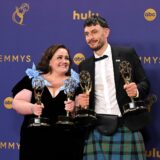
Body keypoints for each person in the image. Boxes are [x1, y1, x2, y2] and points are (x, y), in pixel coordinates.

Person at [76, 15, 150, 160]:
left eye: (94, 32)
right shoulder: (84, 65)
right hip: (96, 128)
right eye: (87, 34)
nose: (90, 37)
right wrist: (80, 102)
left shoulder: (127, 54)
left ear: (106, 32)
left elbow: (145, 84)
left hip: (127, 125)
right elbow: (84, 95)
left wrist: (136, 90)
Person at [12, 44, 84, 160]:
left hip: (68, 145)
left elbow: (81, 112)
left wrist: (74, 108)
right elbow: (17, 103)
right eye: (59, 57)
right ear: (49, 61)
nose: (64, 61)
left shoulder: (77, 82)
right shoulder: (33, 78)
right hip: (35, 144)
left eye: (66, 58)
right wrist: (32, 108)